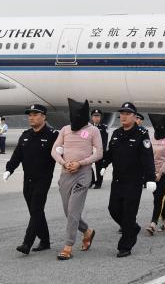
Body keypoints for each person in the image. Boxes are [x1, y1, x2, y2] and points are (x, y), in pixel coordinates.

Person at [102, 102, 156, 257]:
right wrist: (104, 165)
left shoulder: (141, 133)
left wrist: (150, 178)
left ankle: (125, 246)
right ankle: (132, 228)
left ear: (134, 116)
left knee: (129, 213)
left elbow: (147, 157)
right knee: (113, 209)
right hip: (118, 180)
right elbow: (111, 153)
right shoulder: (117, 133)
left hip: (134, 181)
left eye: (127, 114)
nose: (123, 117)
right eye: (122, 114)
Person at [51, 98, 103, 260]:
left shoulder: (93, 131)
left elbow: (99, 153)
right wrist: (64, 162)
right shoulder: (65, 129)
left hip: (83, 174)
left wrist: (80, 163)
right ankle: (87, 231)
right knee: (69, 212)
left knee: (73, 210)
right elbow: (54, 150)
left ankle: (68, 246)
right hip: (65, 174)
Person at [3, 104, 58, 255]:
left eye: (35, 114)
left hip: (43, 179)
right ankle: (45, 241)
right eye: (30, 115)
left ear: (44, 117)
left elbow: (62, 154)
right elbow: (17, 156)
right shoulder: (25, 135)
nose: (31, 117)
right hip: (27, 180)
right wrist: (9, 169)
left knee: (36, 210)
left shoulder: (53, 135)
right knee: (36, 212)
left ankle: (27, 243)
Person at [146, 114, 165, 234]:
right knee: (158, 198)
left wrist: (160, 172)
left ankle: (153, 223)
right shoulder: (150, 139)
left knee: (159, 198)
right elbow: (147, 156)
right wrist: (150, 172)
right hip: (152, 173)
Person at [90, 109, 108, 189]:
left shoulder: (104, 127)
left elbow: (105, 140)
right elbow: (84, 137)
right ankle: (91, 181)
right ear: (92, 117)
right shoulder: (88, 127)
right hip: (89, 150)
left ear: (100, 117)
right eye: (95, 116)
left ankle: (98, 183)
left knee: (99, 167)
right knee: (88, 166)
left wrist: (102, 150)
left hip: (99, 150)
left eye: (98, 116)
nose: (96, 118)